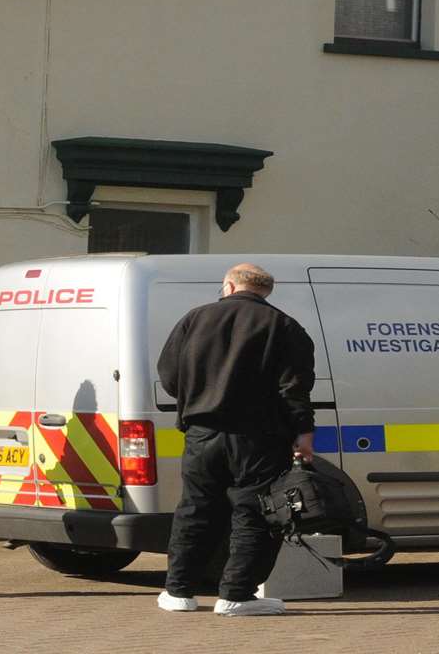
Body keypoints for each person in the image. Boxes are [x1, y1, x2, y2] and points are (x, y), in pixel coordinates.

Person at [155, 263, 316, 617]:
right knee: (255, 513)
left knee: (195, 509)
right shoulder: (285, 326)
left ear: (228, 286)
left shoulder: (194, 319)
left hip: (202, 434)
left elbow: (168, 374)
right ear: (266, 291)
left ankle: (178, 592)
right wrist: (303, 432)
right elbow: (295, 388)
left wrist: (195, 398)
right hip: (260, 437)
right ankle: (237, 595)